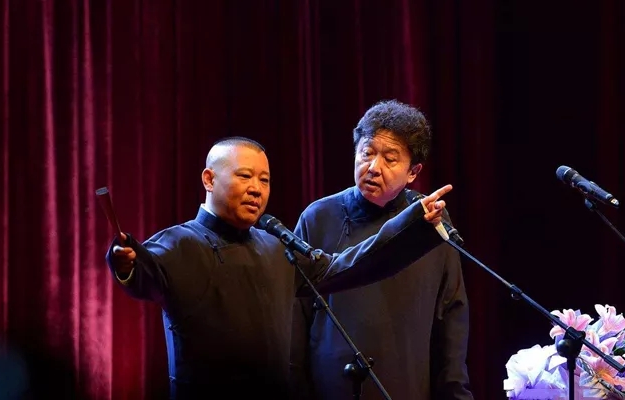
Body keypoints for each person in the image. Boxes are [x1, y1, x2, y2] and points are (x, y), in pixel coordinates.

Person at [105, 136, 453, 399]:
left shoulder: (275, 246)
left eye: (265, 180)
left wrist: (412, 222)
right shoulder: (179, 243)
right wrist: (125, 262)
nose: (256, 189)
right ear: (209, 179)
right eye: (245, 176)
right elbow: (144, 272)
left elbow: (346, 266)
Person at [289, 100, 474, 399]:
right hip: (330, 389)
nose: (374, 168)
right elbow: (294, 320)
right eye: (367, 153)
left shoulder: (429, 220)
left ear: (413, 171)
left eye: (390, 159)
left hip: (407, 385)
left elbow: (451, 314)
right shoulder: (318, 217)